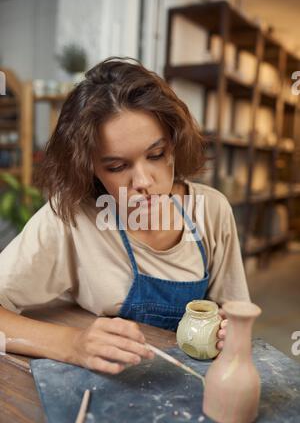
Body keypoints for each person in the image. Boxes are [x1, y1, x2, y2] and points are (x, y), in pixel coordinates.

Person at [0, 57, 250, 375]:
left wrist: (231, 331)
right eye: (117, 167)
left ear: (174, 142)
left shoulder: (212, 211)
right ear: (88, 167)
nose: (143, 182)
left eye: (156, 155)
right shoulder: (71, 218)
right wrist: (72, 344)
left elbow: (234, 312)